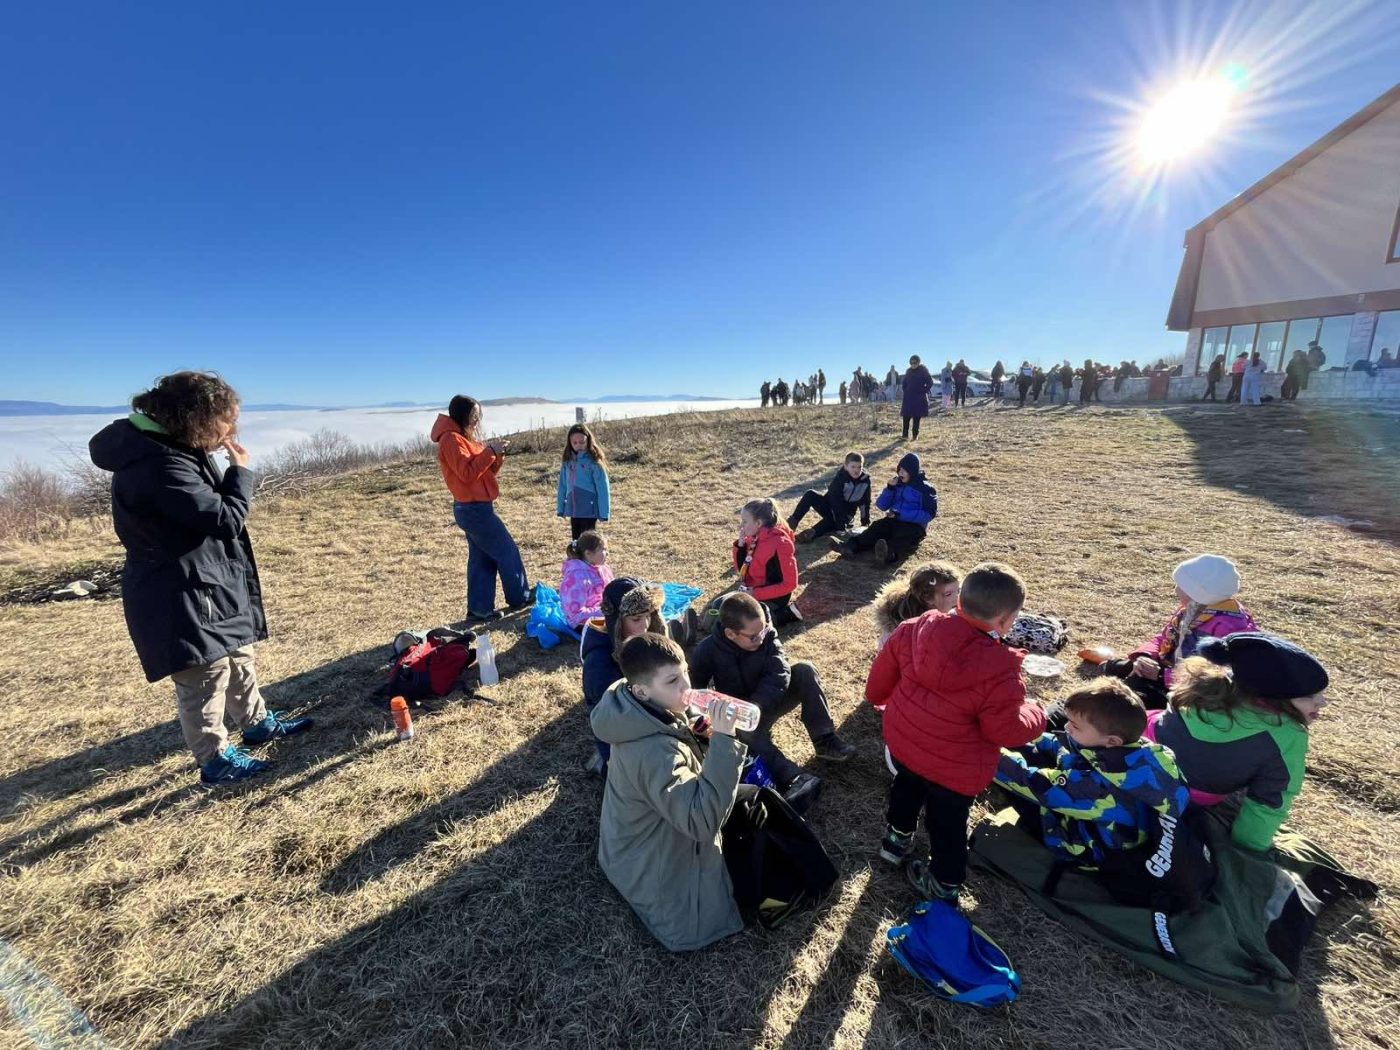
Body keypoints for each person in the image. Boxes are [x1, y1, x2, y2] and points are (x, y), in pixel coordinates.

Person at [88, 371, 312, 784]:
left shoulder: (178, 446)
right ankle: (215, 758)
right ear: (196, 416)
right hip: (180, 588)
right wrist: (240, 473)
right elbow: (224, 518)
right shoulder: (160, 462)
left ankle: (256, 722)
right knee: (204, 673)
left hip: (208, 579)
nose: (230, 431)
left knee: (237, 654)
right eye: (227, 421)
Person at [866, 563, 1046, 902]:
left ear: (959, 600)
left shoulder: (911, 629)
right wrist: (1036, 712)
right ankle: (944, 882)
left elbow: (876, 690)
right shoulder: (1002, 672)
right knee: (947, 824)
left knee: (905, 791)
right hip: (955, 770)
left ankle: (896, 840)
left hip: (906, 746)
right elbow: (1006, 731)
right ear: (1006, 621)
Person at [592, 633, 747, 951]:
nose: (686, 686)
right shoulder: (653, 753)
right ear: (641, 690)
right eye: (673, 681)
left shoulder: (637, 708)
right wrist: (725, 740)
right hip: (648, 866)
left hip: (628, 845)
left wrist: (701, 733)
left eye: (685, 672)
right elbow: (701, 823)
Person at [1147, 634, 1329, 852]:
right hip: (1191, 797)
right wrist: (1248, 851)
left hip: (1142, 763)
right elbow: (1269, 801)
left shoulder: (1207, 691)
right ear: (1276, 697)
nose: (1322, 703)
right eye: (1308, 696)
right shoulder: (1288, 734)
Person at [995, 679, 1189, 865]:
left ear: (1112, 740)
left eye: (1074, 726)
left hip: (1088, 849)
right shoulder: (1133, 749)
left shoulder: (1100, 788)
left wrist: (992, 756)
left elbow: (1033, 784)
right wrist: (1026, 733)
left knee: (1015, 781)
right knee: (1033, 752)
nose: (1066, 727)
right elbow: (1066, 747)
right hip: (1095, 810)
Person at [690, 592, 854, 806]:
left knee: (805, 671)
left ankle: (824, 739)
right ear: (730, 634)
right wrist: (705, 718)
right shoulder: (706, 651)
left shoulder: (766, 634)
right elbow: (696, 690)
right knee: (745, 732)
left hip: (768, 701)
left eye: (764, 630)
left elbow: (780, 673)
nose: (761, 638)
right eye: (753, 636)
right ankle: (796, 778)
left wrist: (757, 706)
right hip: (741, 717)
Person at [1100, 553, 1259, 708]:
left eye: (1182, 586)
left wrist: (1162, 676)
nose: (1176, 589)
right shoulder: (1193, 609)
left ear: (1197, 593)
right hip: (1170, 667)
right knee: (1119, 666)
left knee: (1135, 693)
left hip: (1193, 689)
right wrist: (1145, 657)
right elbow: (1164, 637)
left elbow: (1216, 677)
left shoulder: (1229, 627)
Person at [432, 395, 532, 624]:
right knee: (507, 551)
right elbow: (467, 474)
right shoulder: (451, 439)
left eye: (478, 416)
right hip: (473, 509)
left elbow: (483, 475)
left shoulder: (461, 438)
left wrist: (496, 455)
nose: (476, 421)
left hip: (475, 507)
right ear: (461, 415)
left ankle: (480, 609)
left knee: (482, 558)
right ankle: (520, 597)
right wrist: (489, 452)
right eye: (473, 416)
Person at [581, 578, 673, 773]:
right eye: (636, 619)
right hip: (623, 722)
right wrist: (613, 766)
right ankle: (601, 764)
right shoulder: (599, 663)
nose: (645, 625)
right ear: (616, 620)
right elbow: (605, 720)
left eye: (649, 616)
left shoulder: (642, 638)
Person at [844, 452, 938, 564]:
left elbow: (929, 514)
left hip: (915, 526)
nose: (900, 472)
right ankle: (850, 546)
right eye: (899, 469)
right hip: (894, 520)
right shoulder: (897, 483)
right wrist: (890, 489)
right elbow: (881, 505)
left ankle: (887, 555)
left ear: (912, 471)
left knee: (902, 537)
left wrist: (900, 514)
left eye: (904, 470)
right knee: (877, 527)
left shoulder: (926, 489)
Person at [733, 498, 801, 626]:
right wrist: (740, 546)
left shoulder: (781, 544)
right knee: (720, 606)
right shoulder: (752, 537)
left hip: (774, 597)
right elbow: (742, 571)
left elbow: (790, 584)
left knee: (742, 624)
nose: (741, 525)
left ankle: (786, 614)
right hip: (752, 589)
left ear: (758, 523)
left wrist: (755, 594)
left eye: (744, 521)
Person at [787, 452, 873, 543]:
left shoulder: (865, 481)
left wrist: (865, 524)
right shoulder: (840, 478)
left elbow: (865, 503)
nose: (856, 470)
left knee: (831, 521)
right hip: (831, 507)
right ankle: (789, 526)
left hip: (846, 516)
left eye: (859, 467)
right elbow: (836, 502)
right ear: (846, 466)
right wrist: (839, 525)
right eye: (853, 467)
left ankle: (809, 535)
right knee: (810, 494)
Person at [873, 561, 962, 647]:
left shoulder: (955, 613)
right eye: (948, 594)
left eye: (959, 590)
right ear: (927, 599)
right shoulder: (904, 634)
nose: (958, 597)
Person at [557, 423, 611, 540]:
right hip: (574, 509)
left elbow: (603, 489)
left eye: (582, 442)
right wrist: (561, 507)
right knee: (576, 541)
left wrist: (604, 512)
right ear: (570, 443)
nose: (578, 445)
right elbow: (562, 486)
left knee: (588, 541)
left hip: (589, 511)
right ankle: (575, 553)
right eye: (575, 443)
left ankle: (590, 553)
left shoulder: (594, 463)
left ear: (588, 441)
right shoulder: (567, 463)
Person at [560, 530, 615, 630]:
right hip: (583, 624)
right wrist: (605, 611)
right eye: (603, 549)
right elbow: (575, 615)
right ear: (588, 553)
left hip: (605, 613)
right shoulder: (576, 577)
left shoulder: (603, 568)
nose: (607, 553)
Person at [901, 355, 935, 438]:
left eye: (914, 362)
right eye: (911, 363)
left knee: (916, 417)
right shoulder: (908, 371)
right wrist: (905, 390)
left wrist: (923, 390)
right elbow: (904, 383)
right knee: (906, 417)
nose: (913, 364)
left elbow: (930, 382)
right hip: (908, 398)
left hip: (919, 398)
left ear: (918, 362)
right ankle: (904, 436)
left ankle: (915, 435)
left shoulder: (923, 371)